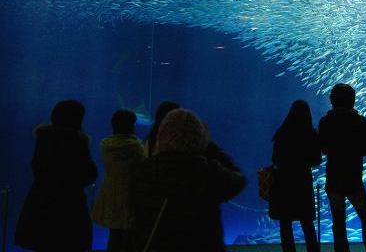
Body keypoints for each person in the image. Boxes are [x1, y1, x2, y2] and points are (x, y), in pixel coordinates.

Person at [132, 108, 246, 252]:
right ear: (199, 138)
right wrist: (209, 146)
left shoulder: (143, 171)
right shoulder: (207, 172)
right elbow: (239, 179)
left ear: (162, 135)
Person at [15, 100, 98, 252]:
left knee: (45, 244)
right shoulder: (78, 141)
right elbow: (89, 174)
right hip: (70, 206)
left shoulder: (43, 138)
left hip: (41, 202)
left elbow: (37, 168)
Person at [318, 83, 366, 252]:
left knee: (338, 222)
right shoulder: (361, 122)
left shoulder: (325, 122)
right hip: (353, 180)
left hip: (333, 179)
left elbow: (323, 149)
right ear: (353, 100)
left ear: (332, 100)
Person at [269, 100, 322, 252]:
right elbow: (317, 160)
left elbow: (275, 159)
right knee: (307, 222)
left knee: (285, 223)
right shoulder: (311, 133)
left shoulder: (282, 132)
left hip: (284, 181)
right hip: (303, 181)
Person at [92, 109, 146, 252]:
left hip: (110, 191)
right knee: (128, 235)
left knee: (114, 232)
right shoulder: (135, 147)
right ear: (131, 126)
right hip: (129, 193)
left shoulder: (105, 145)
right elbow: (143, 167)